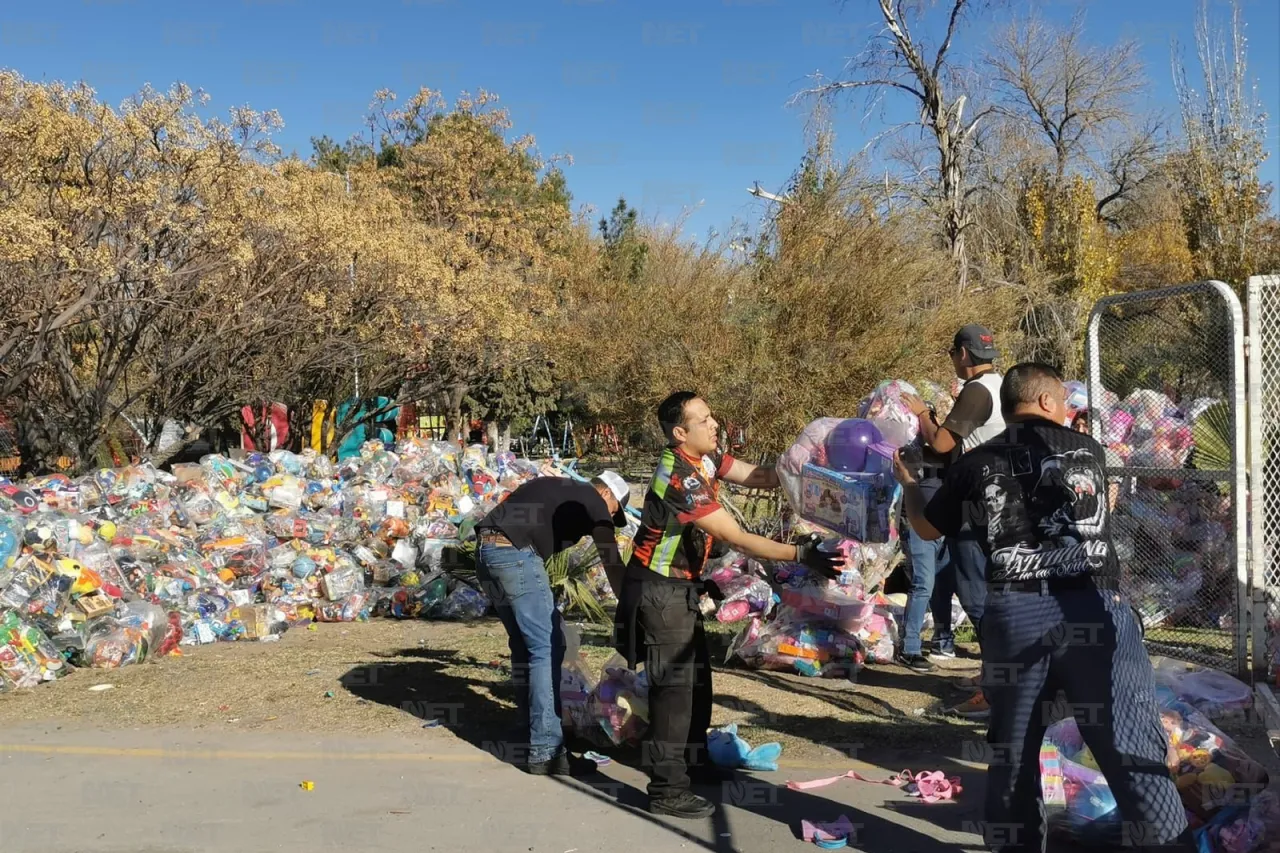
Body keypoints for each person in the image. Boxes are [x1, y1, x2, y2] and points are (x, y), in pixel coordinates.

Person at [894, 363, 1191, 853]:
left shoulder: (976, 462)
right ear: (1049, 402)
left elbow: (928, 530)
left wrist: (909, 483)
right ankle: (1165, 843)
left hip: (1016, 615)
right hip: (1095, 609)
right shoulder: (1090, 451)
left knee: (1013, 751)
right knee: (1130, 744)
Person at [615, 391, 841, 820]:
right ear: (681, 433)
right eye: (703, 419)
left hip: (681, 589)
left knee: (697, 684)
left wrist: (806, 466)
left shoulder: (706, 460)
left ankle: (694, 763)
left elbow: (760, 477)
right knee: (674, 693)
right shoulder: (677, 474)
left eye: (712, 415)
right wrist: (799, 554)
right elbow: (735, 536)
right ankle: (666, 788)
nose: (714, 423)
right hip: (659, 589)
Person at [473, 470, 633, 776]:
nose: (610, 518)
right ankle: (546, 749)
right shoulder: (594, 501)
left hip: (486, 554)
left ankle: (527, 731)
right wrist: (630, 605)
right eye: (615, 512)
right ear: (607, 495)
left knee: (524, 644)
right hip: (514, 554)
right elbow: (611, 561)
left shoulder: (559, 487)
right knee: (548, 647)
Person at [901, 325, 1005, 716]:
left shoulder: (977, 391)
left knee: (975, 596)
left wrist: (922, 413)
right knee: (988, 595)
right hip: (998, 504)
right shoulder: (1001, 387)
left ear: (964, 353)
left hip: (976, 508)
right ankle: (993, 674)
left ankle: (995, 690)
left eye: (952, 352)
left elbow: (941, 443)